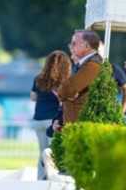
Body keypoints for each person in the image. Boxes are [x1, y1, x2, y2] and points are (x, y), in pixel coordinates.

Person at [30, 51, 71, 180]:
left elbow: (33, 97)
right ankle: (52, 179)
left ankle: (40, 180)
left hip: (38, 119)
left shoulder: (38, 78)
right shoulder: (64, 81)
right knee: (53, 153)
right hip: (52, 121)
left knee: (42, 152)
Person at [56, 30, 103, 125]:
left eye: (74, 43)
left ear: (86, 46)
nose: (71, 46)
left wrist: (64, 92)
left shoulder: (93, 65)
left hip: (81, 124)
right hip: (77, 124)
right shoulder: (84, 64)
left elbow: (67, 89)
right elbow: (67, 89)